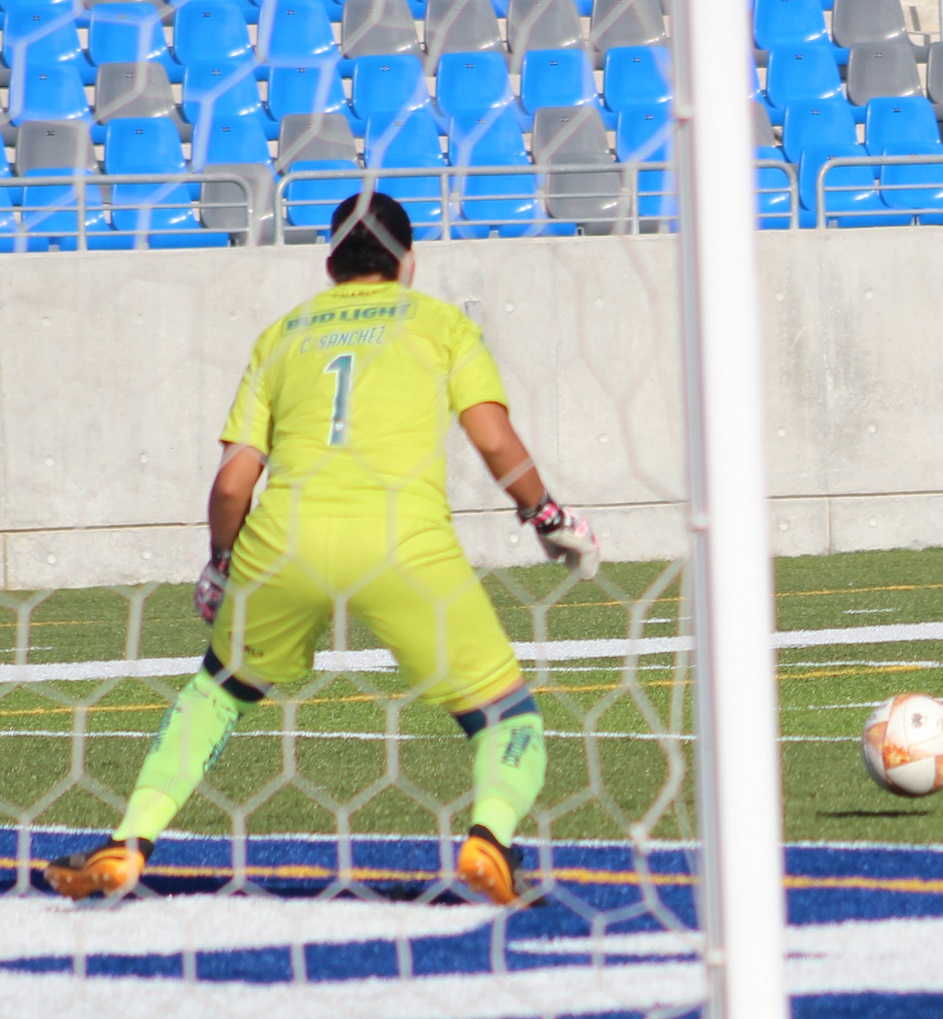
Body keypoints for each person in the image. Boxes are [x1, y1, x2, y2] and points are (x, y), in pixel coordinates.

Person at [46, 193, 600, 903]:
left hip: (284, 544)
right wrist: (545, 514)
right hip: (402, 542)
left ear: (331, 260)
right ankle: (489, 840)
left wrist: (222, 563)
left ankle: (131, 840)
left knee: (219, 691)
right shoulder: (439, 323)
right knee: (504, 713)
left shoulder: (283, 334)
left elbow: (231, 483)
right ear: (406, 262)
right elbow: (493, 439)